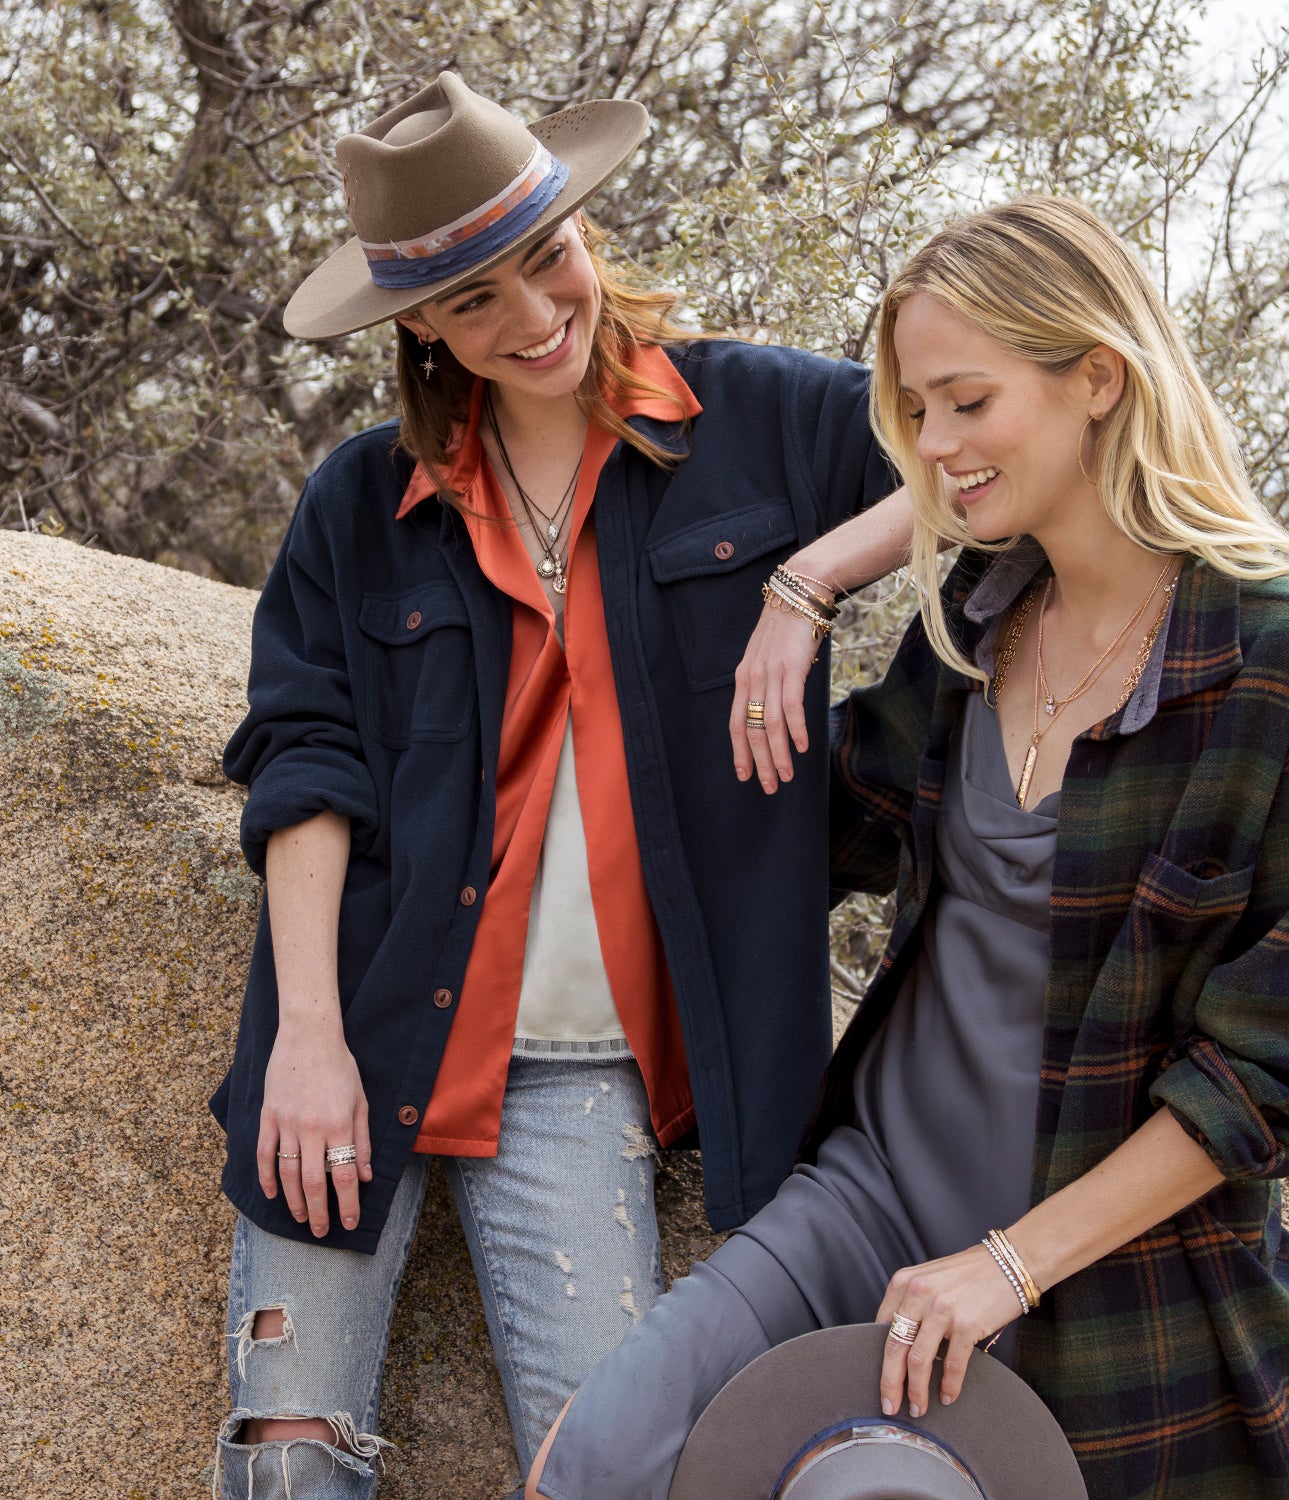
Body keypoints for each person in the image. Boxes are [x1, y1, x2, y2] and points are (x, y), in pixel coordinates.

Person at [528, 196, 1289, 1500]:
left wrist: (1007, 1265)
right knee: (596, 1457)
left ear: (1097, 380)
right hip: (871, 1196)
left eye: (966, 403)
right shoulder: (976, 619)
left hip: (1115, 1291)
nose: (936, 450)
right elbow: (797, 819)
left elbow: (1283, 1081)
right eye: (916, 413)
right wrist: (799, 589)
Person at [209, 73, 913, 1498]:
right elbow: (307, 761)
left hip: (576, 1075)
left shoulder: (764, 417)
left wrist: (811, 578)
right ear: (417, 322)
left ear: (585, 226)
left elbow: (982, 460)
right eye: (474, 301)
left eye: (547, 258)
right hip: (355, 1028)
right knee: (289, 1464)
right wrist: (304, 1043)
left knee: (611, 1469)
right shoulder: (358, 503)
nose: (533, 316)